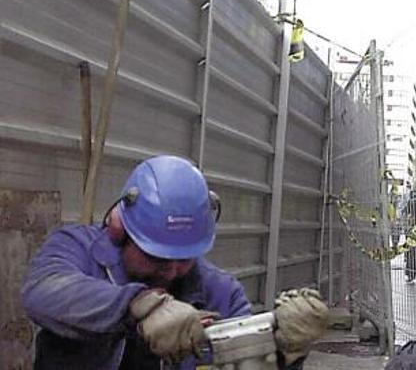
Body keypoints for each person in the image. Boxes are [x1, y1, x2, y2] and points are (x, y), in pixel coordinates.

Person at [21, 155, 326, 370]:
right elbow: (43, 292)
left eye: (184, 259)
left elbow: (245, 367)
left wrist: (284, 354)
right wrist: (136, 305)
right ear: (119, 228)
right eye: (156, 257)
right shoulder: (77, 250)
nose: (171, 270)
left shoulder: (220, 293)